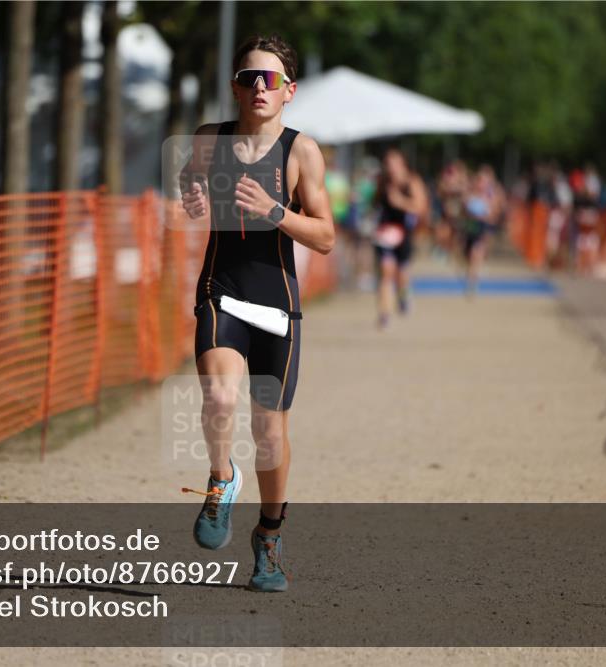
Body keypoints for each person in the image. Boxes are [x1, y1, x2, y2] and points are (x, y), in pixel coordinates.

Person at [179, 34, 334, 593]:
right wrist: (193, 196)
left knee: (269, 431)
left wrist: (275, 211)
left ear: (289, 91)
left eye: (271, 80)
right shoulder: (207, 139)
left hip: (277, 304)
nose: (259, 88)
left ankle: (268, 537)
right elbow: (189, 182)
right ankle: (221, 481)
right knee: (219, 397)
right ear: (235, 88)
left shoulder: (302, 152)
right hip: (222, 289)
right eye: (250, 78)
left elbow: (325, 236)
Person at [371, 148, 428, 328]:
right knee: (385, 272)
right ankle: (384, 314)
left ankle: (403, 295)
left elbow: (420, 207)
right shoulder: (383, 182)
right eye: (387, 164)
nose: (391, 168)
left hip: (404, 233)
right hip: (385, 232)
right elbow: (375, 203)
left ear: (402, 164)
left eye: (394, 163)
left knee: (402, 274)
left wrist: (400, 202)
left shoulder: (412, 181)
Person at [462, 165, 503, 295]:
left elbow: (495, 213)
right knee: (468, 256)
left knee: (476, 253)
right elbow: (464, 211)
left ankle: (472, 283)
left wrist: (487, 215)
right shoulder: (469, 193)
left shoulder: (492, 195)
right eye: (479, 180)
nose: (481, 183)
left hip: (483, 227)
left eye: (484, 181)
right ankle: (472, 273)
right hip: (471, 227)